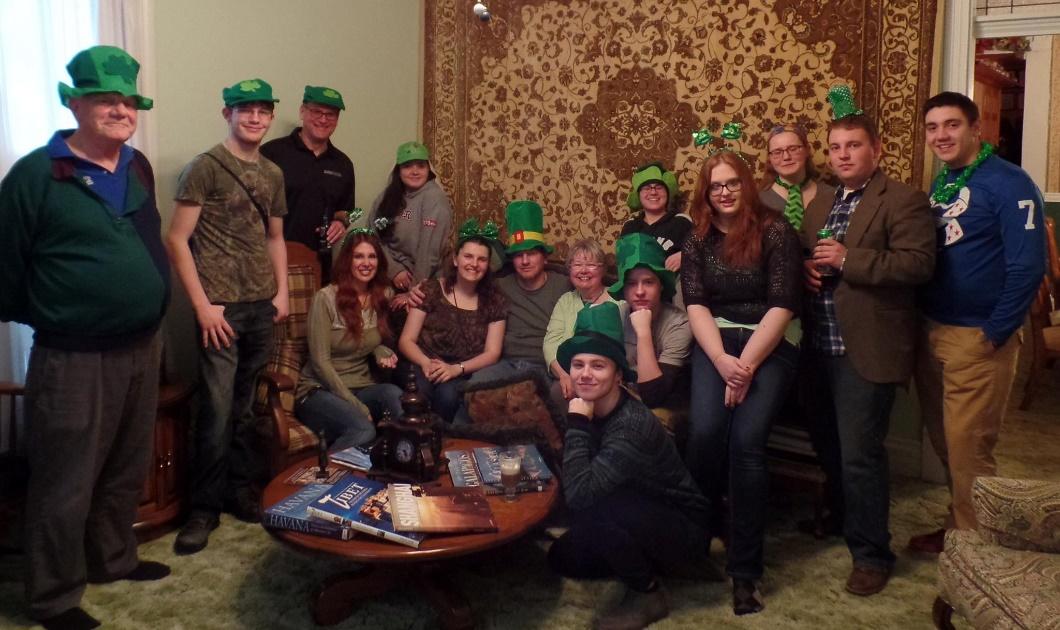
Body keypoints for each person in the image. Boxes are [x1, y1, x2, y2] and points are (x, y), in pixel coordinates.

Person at [0, 45, 170, 630]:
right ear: (74, 104)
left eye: (129, 101)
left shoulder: (137, 166)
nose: (120, 110)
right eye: (105, 100)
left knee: (126, 467)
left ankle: (113, 559)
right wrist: (64, 315)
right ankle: (53, 596)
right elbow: (6, 270)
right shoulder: (35, 175)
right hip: (73, 356)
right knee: (64, 481)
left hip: (142, 345)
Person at [800, 85, 935, 596]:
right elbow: (809, 256)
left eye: (853, 145)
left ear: (875, 150)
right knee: (829, 446)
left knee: (860, 455)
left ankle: (872, 554)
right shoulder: (821, 202)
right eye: (835, 147)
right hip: (818, 346)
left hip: (867, 349)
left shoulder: (903, 199)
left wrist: (848, 260)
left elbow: (918, 265)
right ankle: (842, 519)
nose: (843, 155)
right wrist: (808, 271)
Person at [908, 92, 1046, 553]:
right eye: (932, 127)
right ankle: (961, 526)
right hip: (934, 328)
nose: (941, 135)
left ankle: (977, 551)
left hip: (978, 336)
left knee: (970, 450)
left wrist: (995, 333)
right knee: (947, 445)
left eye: (952, 125)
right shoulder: (944, 181)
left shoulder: (1010, 183)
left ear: (975, 129)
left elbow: (1028, 266)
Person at [166, 78, 289, 554]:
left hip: (261, 306)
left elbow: (275, 237)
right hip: (219, 310)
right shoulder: (205, 167)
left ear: (270, 116)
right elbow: (177, 239)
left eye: (262, 111)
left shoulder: (273, 174)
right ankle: (203, 509)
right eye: (245, 110)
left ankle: (239, 490)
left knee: (244, 407)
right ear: (227, 114)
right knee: (216, 411)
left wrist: (281, 292)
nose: (255, 118)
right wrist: (201, 306)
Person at [681, 151, 802, 615]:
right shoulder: (697, 238)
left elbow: (782, 304)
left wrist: (745, 367)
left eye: (732, 182)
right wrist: (720, 361)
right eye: (716, 186)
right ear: (706, 193)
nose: (725, 192)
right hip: (716, 342)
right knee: (705, 433)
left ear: (746, 184)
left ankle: (745, 572)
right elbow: (696, 305)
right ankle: (695, 539)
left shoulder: (775, 230)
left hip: (769, 342)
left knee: (747, 443)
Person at [547, 302, 710, 630]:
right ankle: (645, 559)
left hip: (683, 526)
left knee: (592, 507)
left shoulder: (630, 425)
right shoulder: (587, 406)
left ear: (618, 375)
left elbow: (579, 494)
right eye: (578, 364)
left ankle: (649, 592)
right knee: (562, 558)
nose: (585, 374)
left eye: (598, 365)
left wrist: (577, 425)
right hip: (632, 506)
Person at [294, 232, 404, 450]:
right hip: (320, 390)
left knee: (396, 397)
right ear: (347, 261)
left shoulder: (383, 295)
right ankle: (325, 469)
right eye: (358, 256)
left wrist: (379, 350)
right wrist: (356, 405)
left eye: (372, 256)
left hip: (362, 386)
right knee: (363, 430)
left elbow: (368, 341)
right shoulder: (325, 299)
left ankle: (395, 464)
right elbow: (320, 363)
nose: (366, 263)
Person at [397, 220, 508, 422]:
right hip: (422, 362)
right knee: (420, 391)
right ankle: (414, 438)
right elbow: (406, 340)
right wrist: (426, 363)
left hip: (461, 370)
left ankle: (439, 438)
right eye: (468, 256)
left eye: (482, 259)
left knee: (447, 397)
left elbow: (492, 353)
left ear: (488, 265)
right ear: (456, 259)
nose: (474, 264)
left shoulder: (495, 300)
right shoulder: (430, 290)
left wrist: (456, 368)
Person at [260, 85, 355, 281]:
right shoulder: (271, 153)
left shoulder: (343, 164)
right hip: (271, 263)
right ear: (302, 111)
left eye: (330, 114)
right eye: (317, 112)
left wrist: (341, 222)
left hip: (320, 266)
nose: (323, 119)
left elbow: (349, 211)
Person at [469, 200, 569, 382]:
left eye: (531, 253)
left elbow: (596, 293)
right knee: (475, 384)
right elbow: (462, 289)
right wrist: (426, 289)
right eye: (518, 255)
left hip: (546, 367)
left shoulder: (563, 285)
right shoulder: (500, 286)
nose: (525, 261)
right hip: (507, 364)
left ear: (545, 258)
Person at [363, 141, 453, 311]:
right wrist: (394, 270)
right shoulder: (387, 196)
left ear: (429, 169)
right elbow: (372, 234)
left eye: (421, 166)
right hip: (388, 272)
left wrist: (413, 291)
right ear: (398, 170)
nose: (415, 171)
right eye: (407, 166)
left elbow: (429, 252)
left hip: (424, 280)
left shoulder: (434, 199)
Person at [609, 233, 692, 409]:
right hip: (622, 396)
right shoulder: (615, 315)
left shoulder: (680, 324)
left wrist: (643, 332)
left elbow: (653, 395)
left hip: (663, 405)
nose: (640, 292)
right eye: (632, 283)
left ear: (661, 285)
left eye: (648, 282)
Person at [543, 238, 617, 401]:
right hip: (569, 373)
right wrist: (563, 375)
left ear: (603, 269)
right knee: (557, 394)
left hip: (606, 377)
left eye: (591, 265)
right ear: (569, 270)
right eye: (577, 265)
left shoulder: (618, 299)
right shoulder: (566, 300)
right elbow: (550, 343)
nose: (583, 270)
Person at [619, 162, 693, 271]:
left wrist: (686, 255)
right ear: (638, 195)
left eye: (659, 187)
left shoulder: (682, 222)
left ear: (667, 193)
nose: (653, 192)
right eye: (647, 188)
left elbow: (704, 253)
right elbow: (623, 265)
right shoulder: (630, 226)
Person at [758, 124, 821, 230]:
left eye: (793, 149)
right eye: (777, 152)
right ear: (770, 158)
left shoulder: (831, 196)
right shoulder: (758, 201)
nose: (786, 157)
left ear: (807, 150)